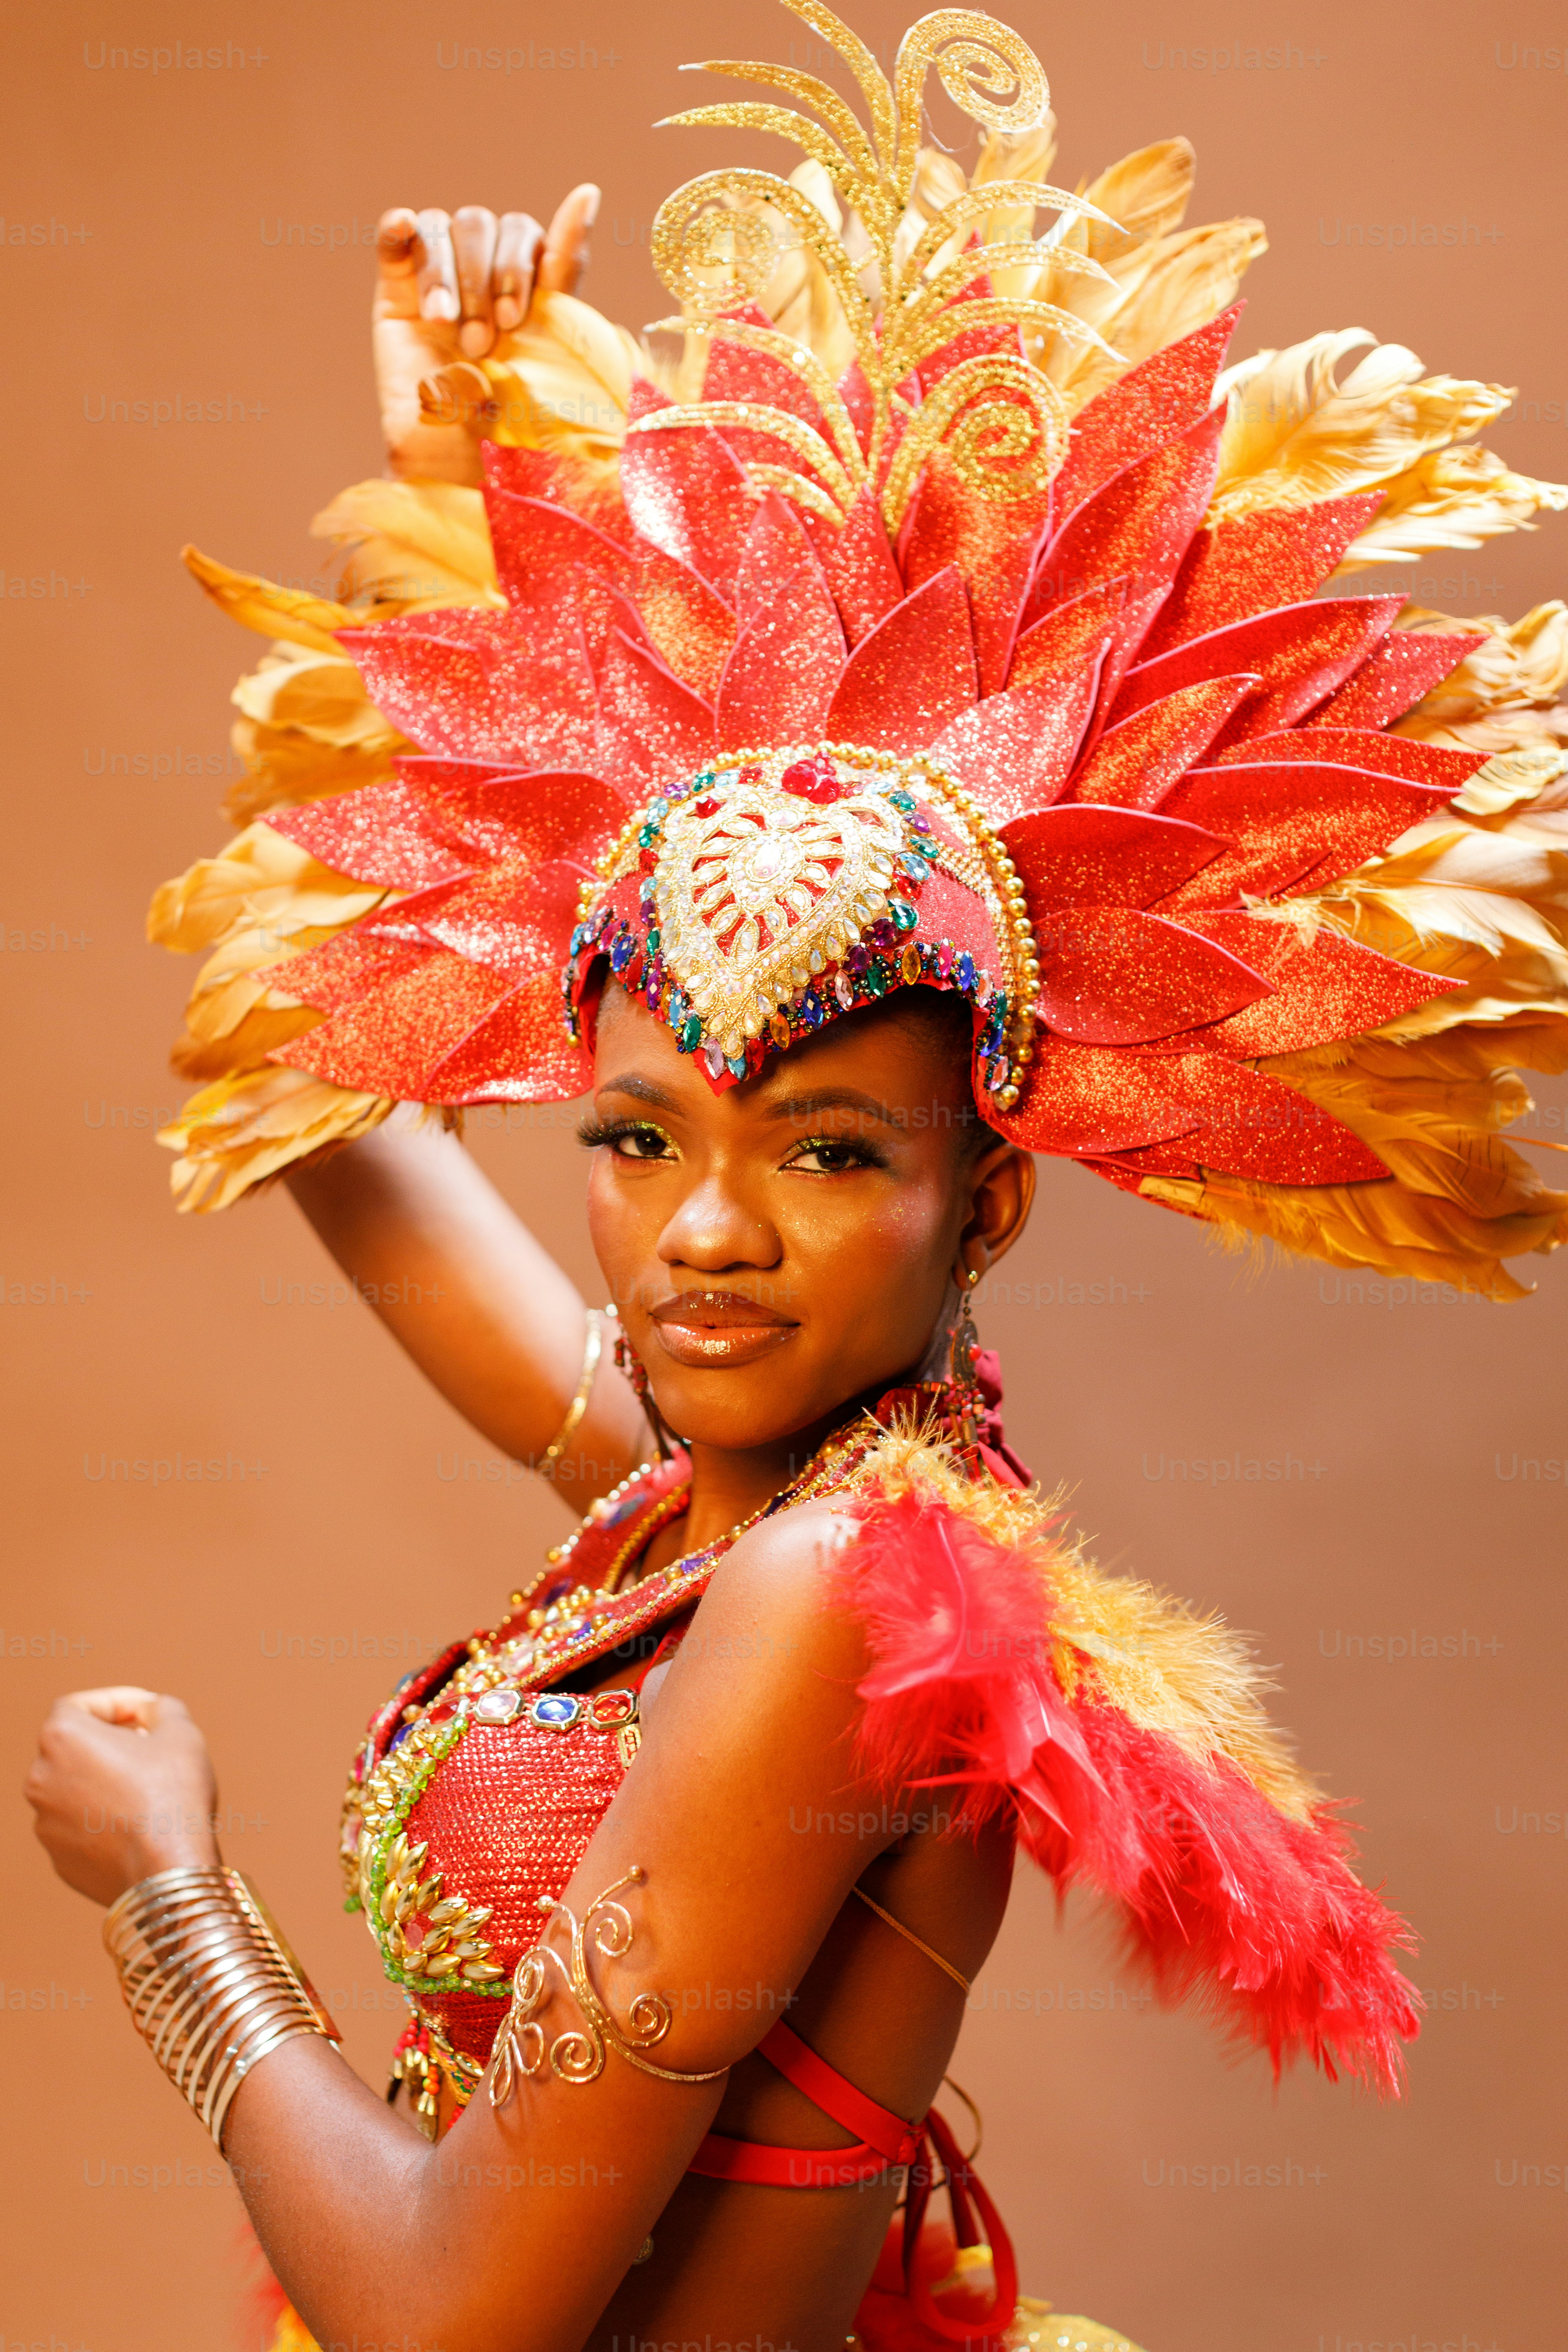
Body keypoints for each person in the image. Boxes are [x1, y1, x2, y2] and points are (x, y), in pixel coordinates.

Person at [26, 10, 1568, 2351]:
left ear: (993, 1196)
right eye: (638, 1136)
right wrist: (465, 517)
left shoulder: (829, 1592)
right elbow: (326, 1099)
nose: (703, 1235)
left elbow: (453, 2319)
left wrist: (170, 1896)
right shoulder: (732, 1497)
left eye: (830, 1149)